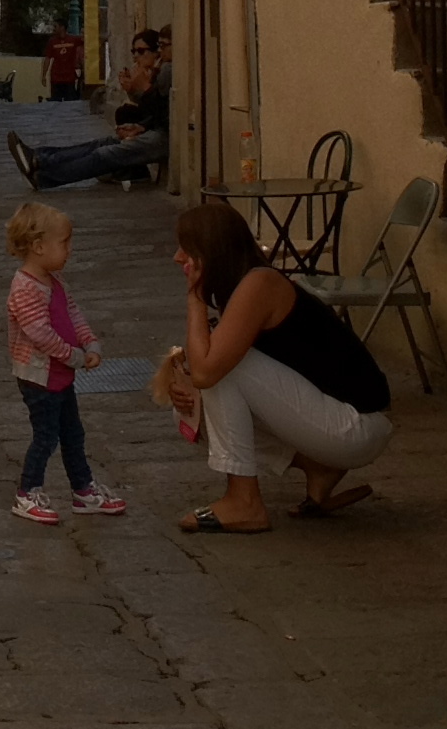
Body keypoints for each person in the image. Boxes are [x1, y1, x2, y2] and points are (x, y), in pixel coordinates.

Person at [162, 196, 394, 535]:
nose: (177, 257)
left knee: (222, 374)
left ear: (209, 252)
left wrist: (195, 296)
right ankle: (319, 468)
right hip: (334, 422)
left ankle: (245, 502)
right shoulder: (239, 287)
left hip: (358, 424)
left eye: (186, 249)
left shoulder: (260, 284)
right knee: (191, 409)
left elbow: (207, 371)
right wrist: (183, 390)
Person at [5, 200, 125, 523]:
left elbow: (72, 314)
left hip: (59, 374)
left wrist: (90, 341)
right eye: (64, 243)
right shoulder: (25, 288)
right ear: (39, 247)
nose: (69, 250)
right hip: (39, 377)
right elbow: (39, 333)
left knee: (73, 433)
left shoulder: (54, 282)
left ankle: (83, 489)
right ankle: (27, 492)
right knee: (45, 436)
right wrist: (74, 355)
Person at [7, 35, 167, 191]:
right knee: (102, 143)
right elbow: (151, 111)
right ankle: (39, 159)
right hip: (153, 129)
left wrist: (144, 90)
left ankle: (43, 177)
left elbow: (164, 113)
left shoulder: (166, 73)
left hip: (163, 135)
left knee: (103, 153)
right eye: (134, 52)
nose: (136, 57)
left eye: (141, 51)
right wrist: (139, 120)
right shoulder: (156, 72)